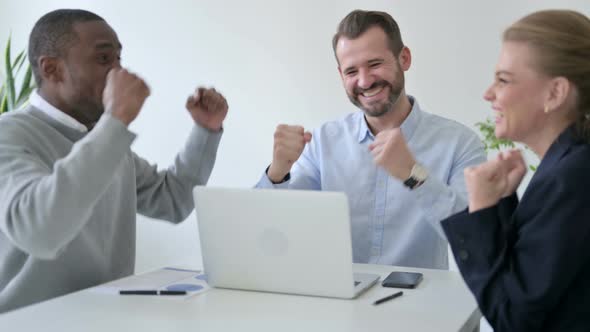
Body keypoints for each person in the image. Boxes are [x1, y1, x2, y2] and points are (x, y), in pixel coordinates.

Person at [0, 9, 228, 313]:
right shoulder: (10, 135)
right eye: (104, 59)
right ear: (51, 69)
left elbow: (173, 201)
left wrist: (206, 130)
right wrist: (115, 121)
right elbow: (40, 232)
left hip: (106, 318)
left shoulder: (104, 141)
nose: (119, 73)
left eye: (119, 59)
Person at [256, 10, 486, 269]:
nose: (364, 81)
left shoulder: (461, 143)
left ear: (404, 58)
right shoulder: (322, 142)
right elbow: (271, 232)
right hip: (337, 299)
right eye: (351, 71)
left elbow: (476, 239)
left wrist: (414, 175)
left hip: (421, 305)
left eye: (375, 64)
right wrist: (278, 172)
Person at [441, 9, 590, 331]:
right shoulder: (568, 165)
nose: (488, 93)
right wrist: (501, 201)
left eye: (503, 80)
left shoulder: (572, 178)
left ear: (555, 93)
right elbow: (531, 280)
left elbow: (512, 319)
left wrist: (480, 209)